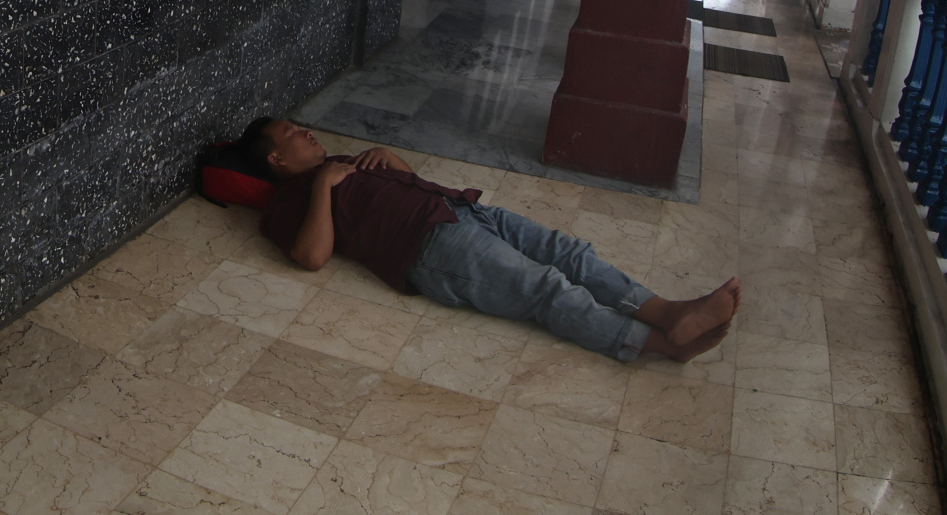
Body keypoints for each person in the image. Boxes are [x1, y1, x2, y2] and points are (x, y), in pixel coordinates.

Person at [238, 117, 737, 362]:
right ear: (276, 160)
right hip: (431, 248)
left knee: (568, 253)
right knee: (544, 287)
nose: (305, 133)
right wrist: (325, 186)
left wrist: (390, 159)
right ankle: (656, 345)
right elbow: (312, 256)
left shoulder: (340, 160)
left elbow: (409, 184)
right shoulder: (288, 203)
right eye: (292, 133)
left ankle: (667, 311)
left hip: (460, 209)